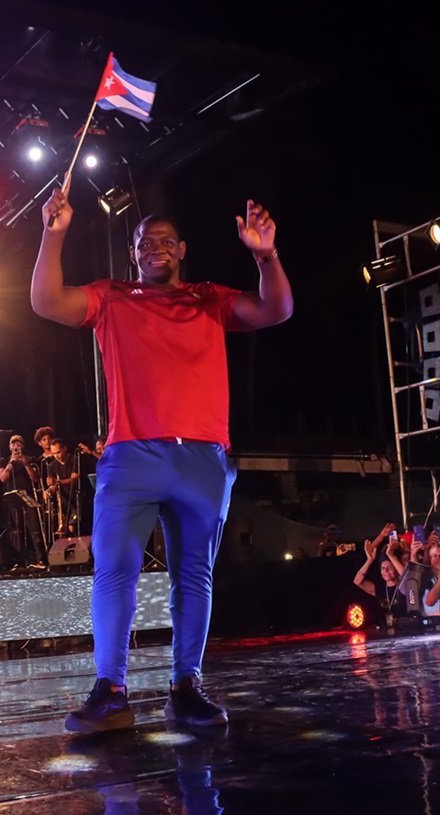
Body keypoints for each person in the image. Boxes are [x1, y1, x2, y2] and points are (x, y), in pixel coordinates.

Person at [32, 183, 292, 731]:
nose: (154, 247)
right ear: (133, 253)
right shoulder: (111, 297)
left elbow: (276, 309)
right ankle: (111, 689)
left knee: (193, 575)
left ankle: (186, 686)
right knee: (114, 571)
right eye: (144, 241)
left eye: (165, 241)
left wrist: (265, 255)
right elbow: (46, 301)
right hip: (132, 456)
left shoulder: (208, 299)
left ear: (182, 250)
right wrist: (52, 236)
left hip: (201, 459)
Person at [0, 435, 49, 571]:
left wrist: (25, 463)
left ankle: (40, 559)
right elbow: (2, 478)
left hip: (28, 499)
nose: (16, 447)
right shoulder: (3, 461)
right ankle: (19, 561)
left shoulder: (31, 460)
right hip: (12, 500)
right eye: (13, 444)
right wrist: (11, 463)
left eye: (18, 444)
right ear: (9, 447)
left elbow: (35, 479)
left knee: (34, 530)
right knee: (16, 531)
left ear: (23, 446)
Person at [44, 438, 79, 536]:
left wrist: (58, 482)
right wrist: (48, 491)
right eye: (54, 453)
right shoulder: (51, 466)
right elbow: (54, 487)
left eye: (58, 452)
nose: (56, 456)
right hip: (64, 502)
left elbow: (74, 480)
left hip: (76, 499)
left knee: (73, 527)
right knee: (65, 533)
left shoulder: (75, 460)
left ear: (65, 448)